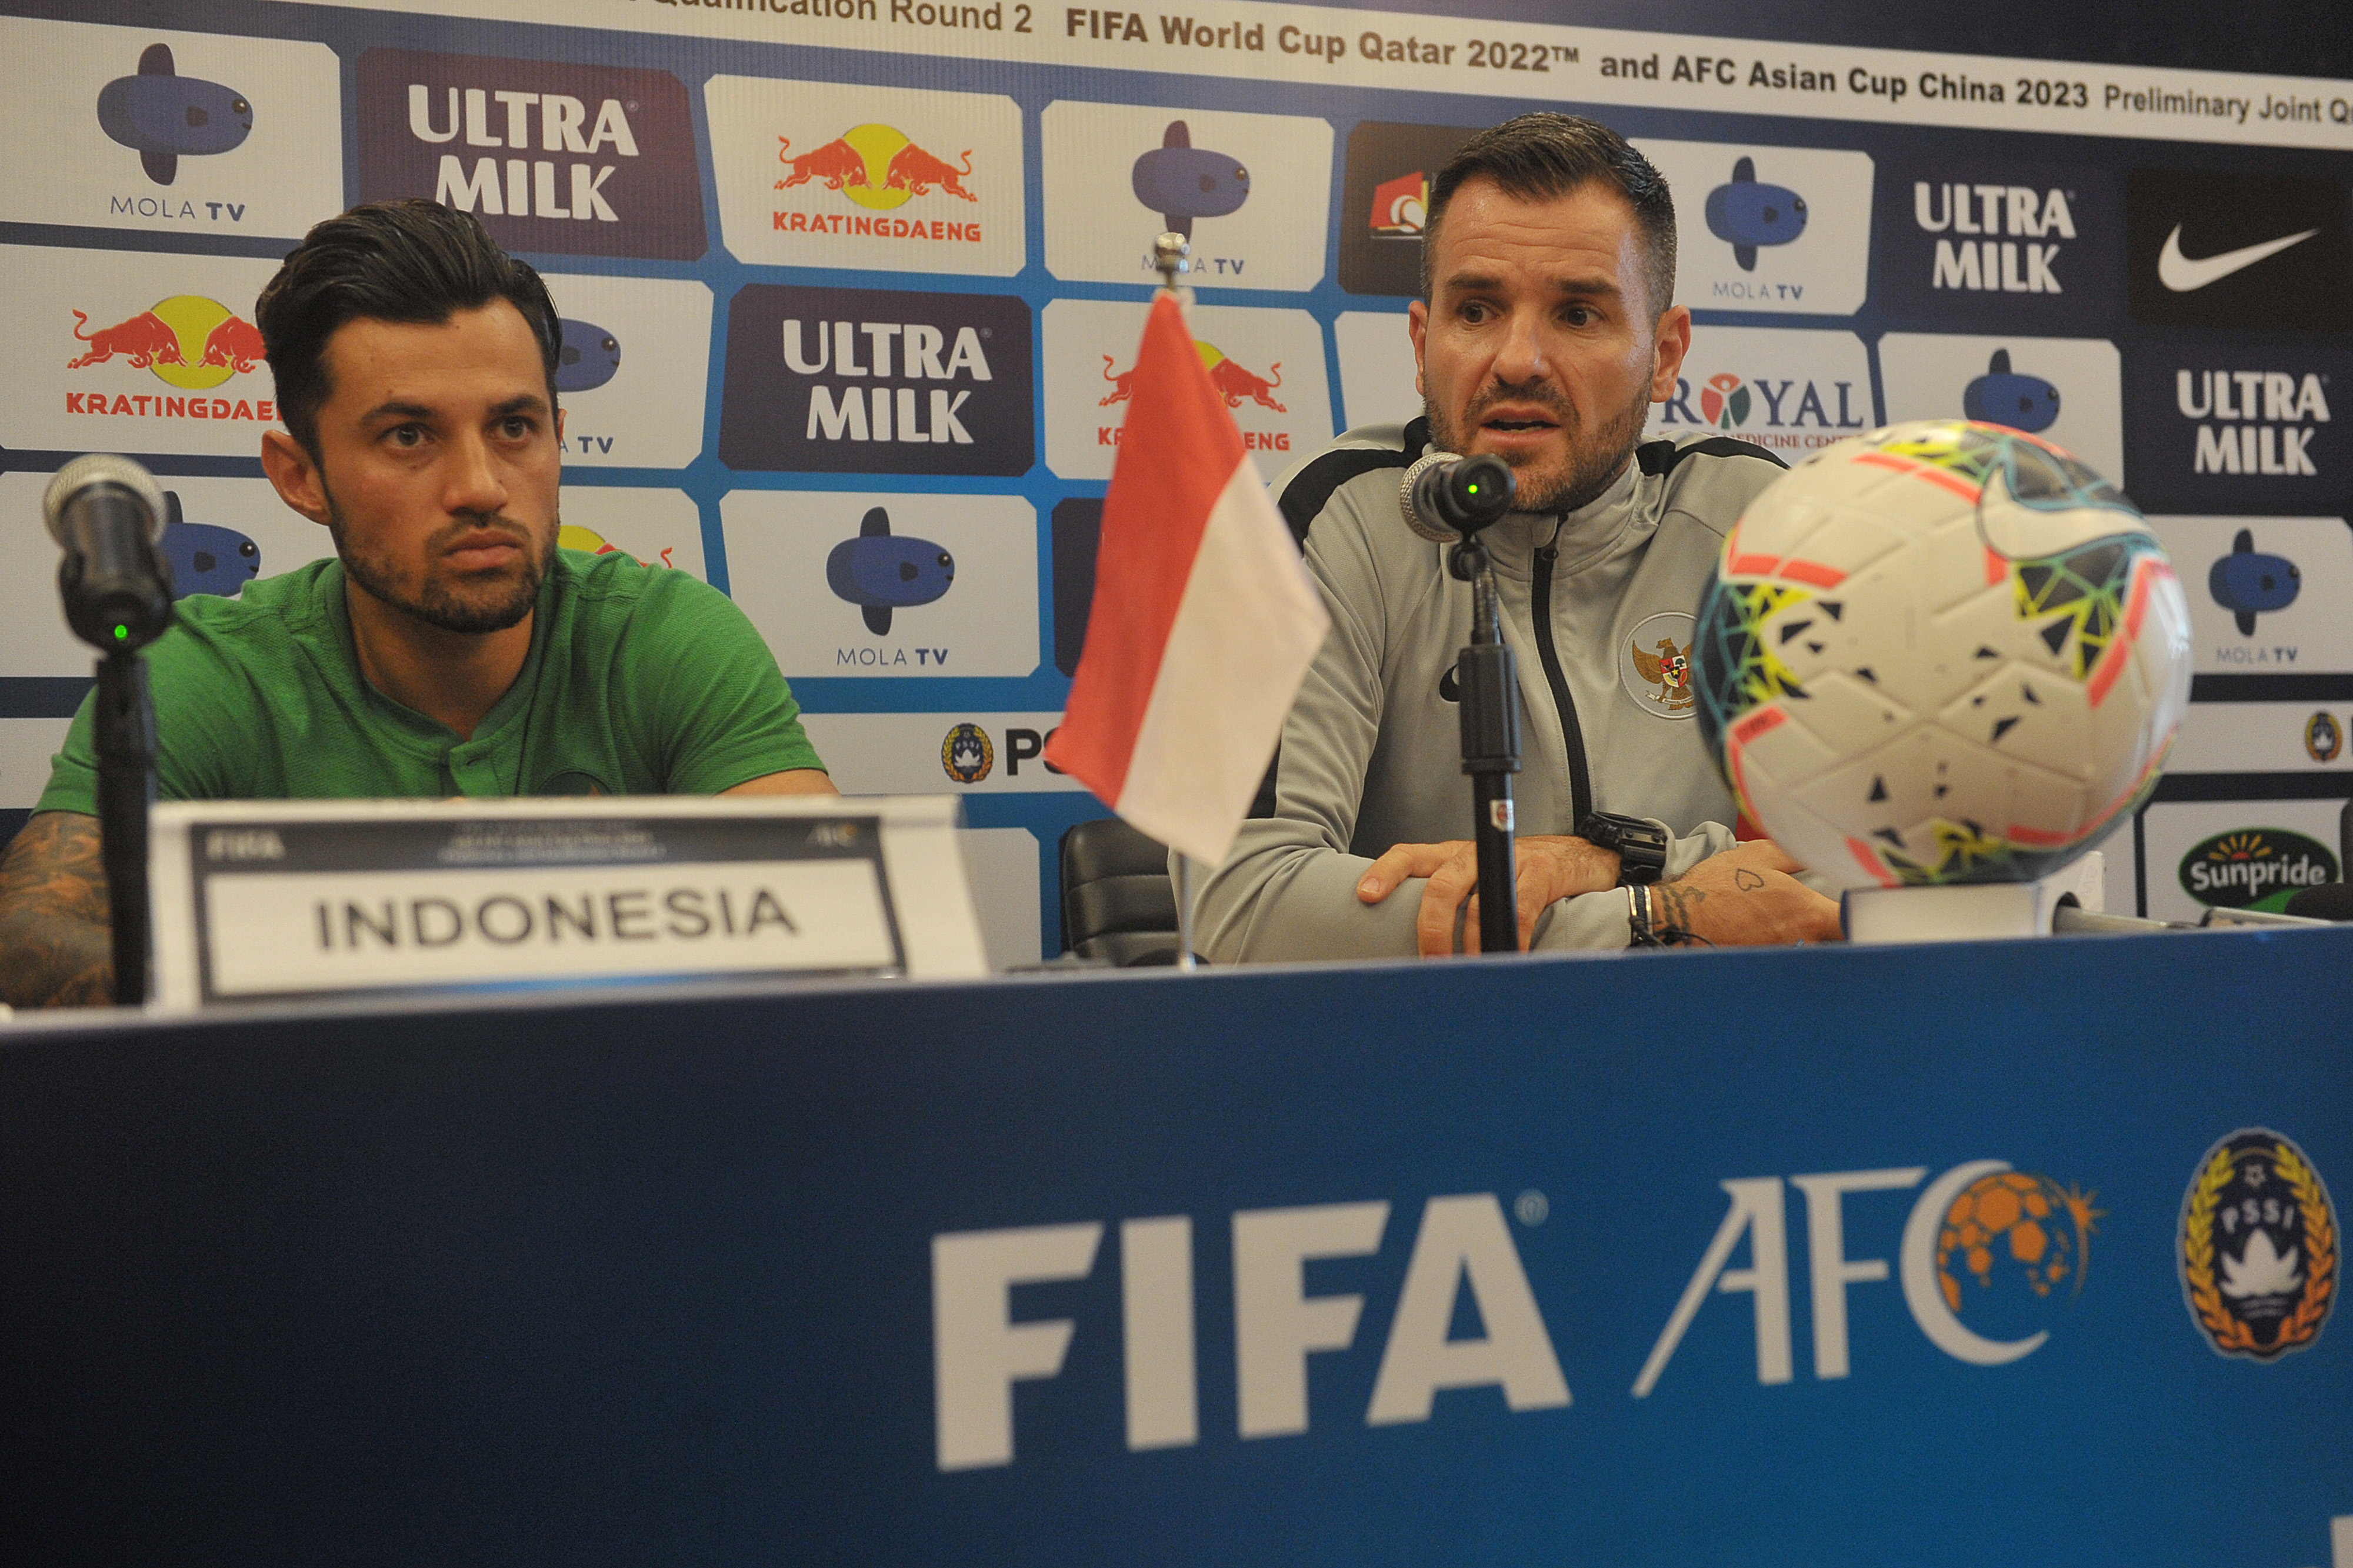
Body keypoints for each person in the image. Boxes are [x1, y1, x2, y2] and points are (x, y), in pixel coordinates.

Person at [0, 199, 832, 1007]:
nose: (480, 487)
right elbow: (28, 939)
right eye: (408, 435)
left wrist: (512, 911)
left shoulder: (664, 635)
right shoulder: (211, 669)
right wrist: (390, 924)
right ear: (301, 476)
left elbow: (825, 912)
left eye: (514, 427)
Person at [1192, 114, 1841, 962]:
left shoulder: (1760, 525)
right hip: (1434, 1072)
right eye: (1477, 310)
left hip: (1709, 1069)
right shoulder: (1336, 517)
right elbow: (1242, 896)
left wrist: (1605, 861)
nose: (1519, 359)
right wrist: (1657, 913)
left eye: (1577, 314)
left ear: (1666, 353)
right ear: (1424, 347)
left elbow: (1885, 853)